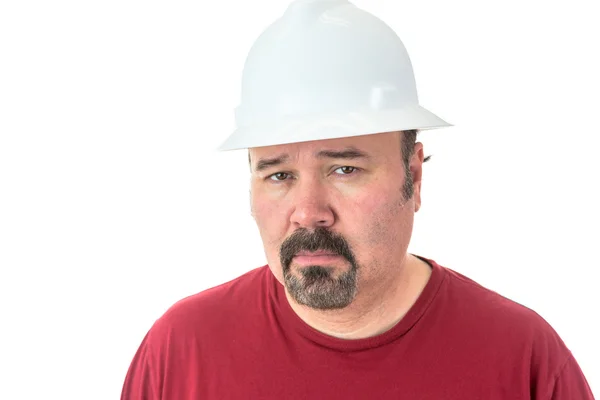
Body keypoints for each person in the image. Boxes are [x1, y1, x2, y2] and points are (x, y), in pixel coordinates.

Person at [121, 0, 595, 398]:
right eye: (279, 174)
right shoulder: (181, 352)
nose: (309, 212)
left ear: (413, 174)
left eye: (344, 169)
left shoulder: (520, 358)